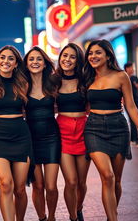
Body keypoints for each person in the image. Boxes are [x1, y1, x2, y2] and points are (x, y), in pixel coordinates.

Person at [83, 39, 138, 221]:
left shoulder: (121, 76)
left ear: (108, 55)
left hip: (118, 127)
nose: (93, 56)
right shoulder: (87, 77)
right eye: (91, 53)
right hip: (93, 128)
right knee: (106, 176)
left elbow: (131, 106)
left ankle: (111, 215)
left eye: (98, 53)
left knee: (116, 180)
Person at [0, 45, 34, 221]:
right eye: (2, 57)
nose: (6, 61)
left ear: (16, 64)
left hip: (21, 135)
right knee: (6, 183)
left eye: (10, 58)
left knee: (20, 188)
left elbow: (31, 109)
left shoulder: (24, 83)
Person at [24, 46, 60, 221]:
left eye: (39, 59)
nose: (35, 62)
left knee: (51, 186)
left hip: (52, 136)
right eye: (31, 59)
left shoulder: (53, 82)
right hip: (30, 138)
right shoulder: (22, 85)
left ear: (45, 63)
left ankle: (52, 217)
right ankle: (42, 218)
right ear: (26, 63)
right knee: (38, 185)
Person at [55, 43, 90, 221]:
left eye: (72, 57)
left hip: (84, 131)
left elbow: (93, 105)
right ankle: (73, 217)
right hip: (62, 132)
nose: (67, 60)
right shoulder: (53, 81)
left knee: (82, 183)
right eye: (64, 56)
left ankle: (79, 207)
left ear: (78, 61)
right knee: (71, 181)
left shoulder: (85, 80)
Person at [124, 62, 138, 147]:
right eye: (130, 67)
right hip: (127, 103)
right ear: (126, 68)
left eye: (132, 67)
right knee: (131, 121)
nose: (132, 69)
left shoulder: (134, 78)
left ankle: (137, 140)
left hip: (136, 102)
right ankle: (133, 139)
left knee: (135, 119)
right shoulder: (124, 77)